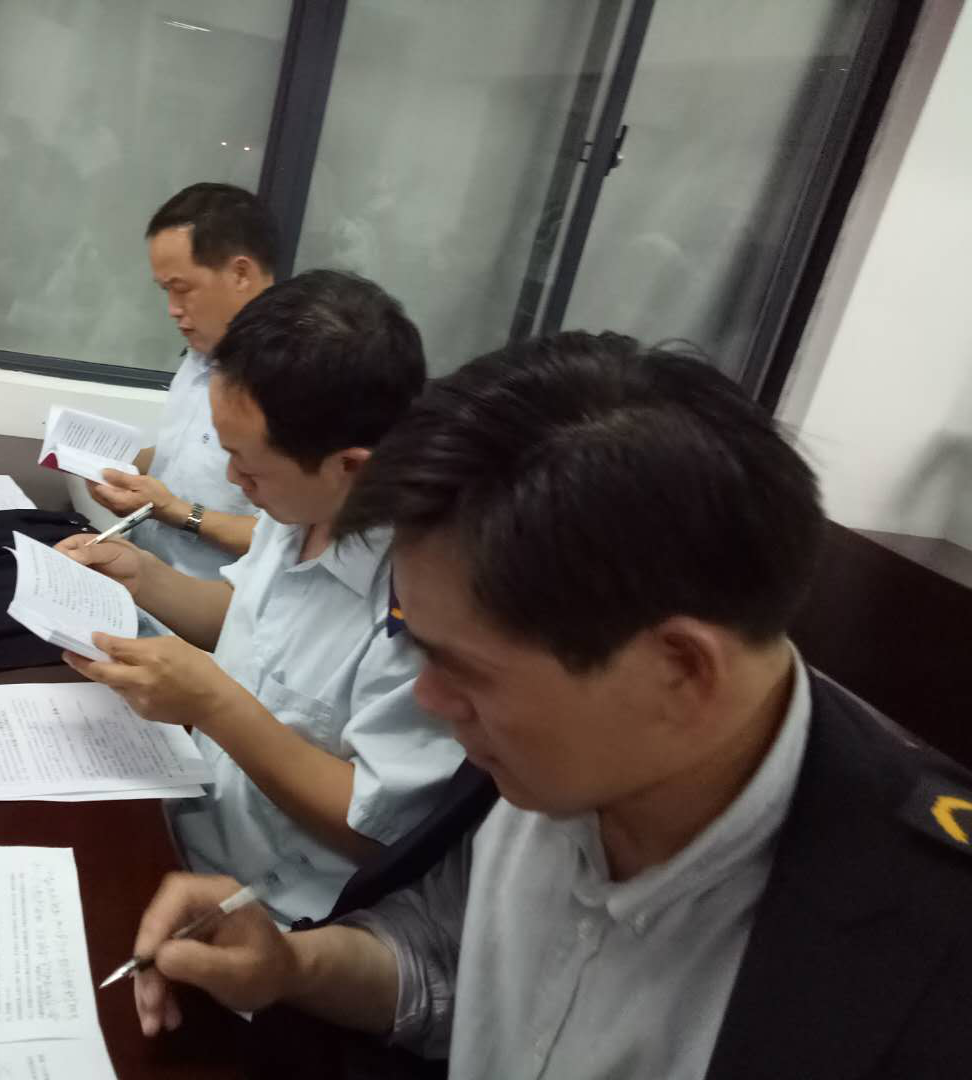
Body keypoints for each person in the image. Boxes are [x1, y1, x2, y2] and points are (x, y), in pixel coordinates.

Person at [124, 332, 972, 1075]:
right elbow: (451, 959)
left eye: (465, 670)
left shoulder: (923, 971)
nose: (428, 699)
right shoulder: (554, 759)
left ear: (679, 671)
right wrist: (290, 966)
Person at [58, 270, 465, 923]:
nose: (232, 478)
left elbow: (377, 829)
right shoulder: (301, 506)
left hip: (271, 915)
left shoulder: (427, 602)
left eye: (248, 465)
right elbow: (246, 619)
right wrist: (138, 575)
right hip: (189, 828)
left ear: (349, 465)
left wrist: (214, 705)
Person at [86, 183, 276, 578]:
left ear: (240, 274)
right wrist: (113, 467)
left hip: (205, 599)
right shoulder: (202, 353)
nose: (173, 310)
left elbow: (289, 542)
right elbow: (185, 458)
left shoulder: (296, 379)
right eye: (165, 291)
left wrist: (177, 512)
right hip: (142, 570)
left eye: (182, 289)